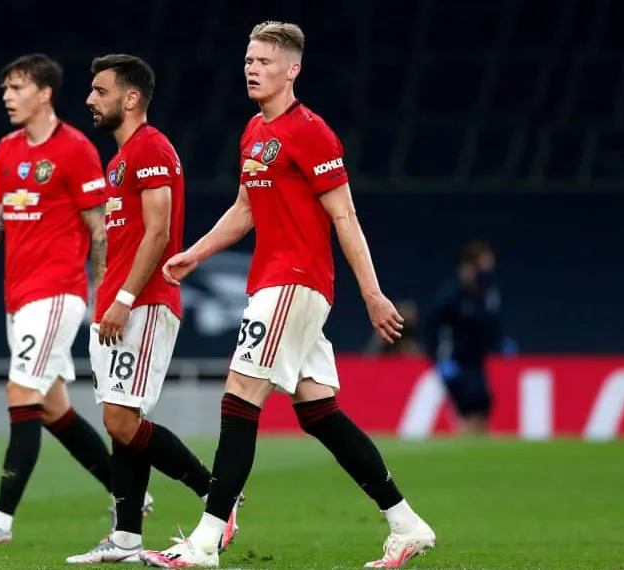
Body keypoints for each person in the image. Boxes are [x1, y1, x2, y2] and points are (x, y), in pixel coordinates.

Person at [139, 22, 435, 569]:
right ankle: (406, 523)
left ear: (292, 69)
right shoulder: (254, 131)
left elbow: (343, 215)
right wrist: (196, 253)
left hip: (295, 281)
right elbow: (245, 209)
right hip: (276, 281)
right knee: (318, 410)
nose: (252, 68)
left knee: (239, 394)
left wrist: (372, 294)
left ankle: (205, 542)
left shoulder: (312, 132)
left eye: (265, 61)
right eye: (249, 59)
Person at [0, 54, 149, 542]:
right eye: (5, 89)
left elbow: (99, 229)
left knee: (20, 393)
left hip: (56, 294)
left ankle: (0, 520)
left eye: (16, 87)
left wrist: (101, 295)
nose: (8, 97)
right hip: (18, 296)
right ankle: (129, 491)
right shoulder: (7, 148)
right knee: (53, 409)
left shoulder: (75, 150)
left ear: (44, 92)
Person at [66, 54, 239, 565]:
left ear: (131, 97)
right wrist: (105, 297)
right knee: (122, 417)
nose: (90, 100)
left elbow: (160, 231)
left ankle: (218, 497)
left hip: (144, 303)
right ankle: (125, 538)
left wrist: (121, 299)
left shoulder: (151, 147)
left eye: (99, 91)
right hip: (118, 305)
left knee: (121, 421)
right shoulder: (119, 160)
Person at [421, 239, 515, 436]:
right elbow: (431, 328)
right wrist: (439, 359)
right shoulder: (451, 296)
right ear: (471, 266)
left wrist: (500, 342)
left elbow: (492, 324)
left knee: (484, 408)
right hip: (457, 363)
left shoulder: (488, 294)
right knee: (469, 413)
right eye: (485, 264)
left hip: (478, 362)